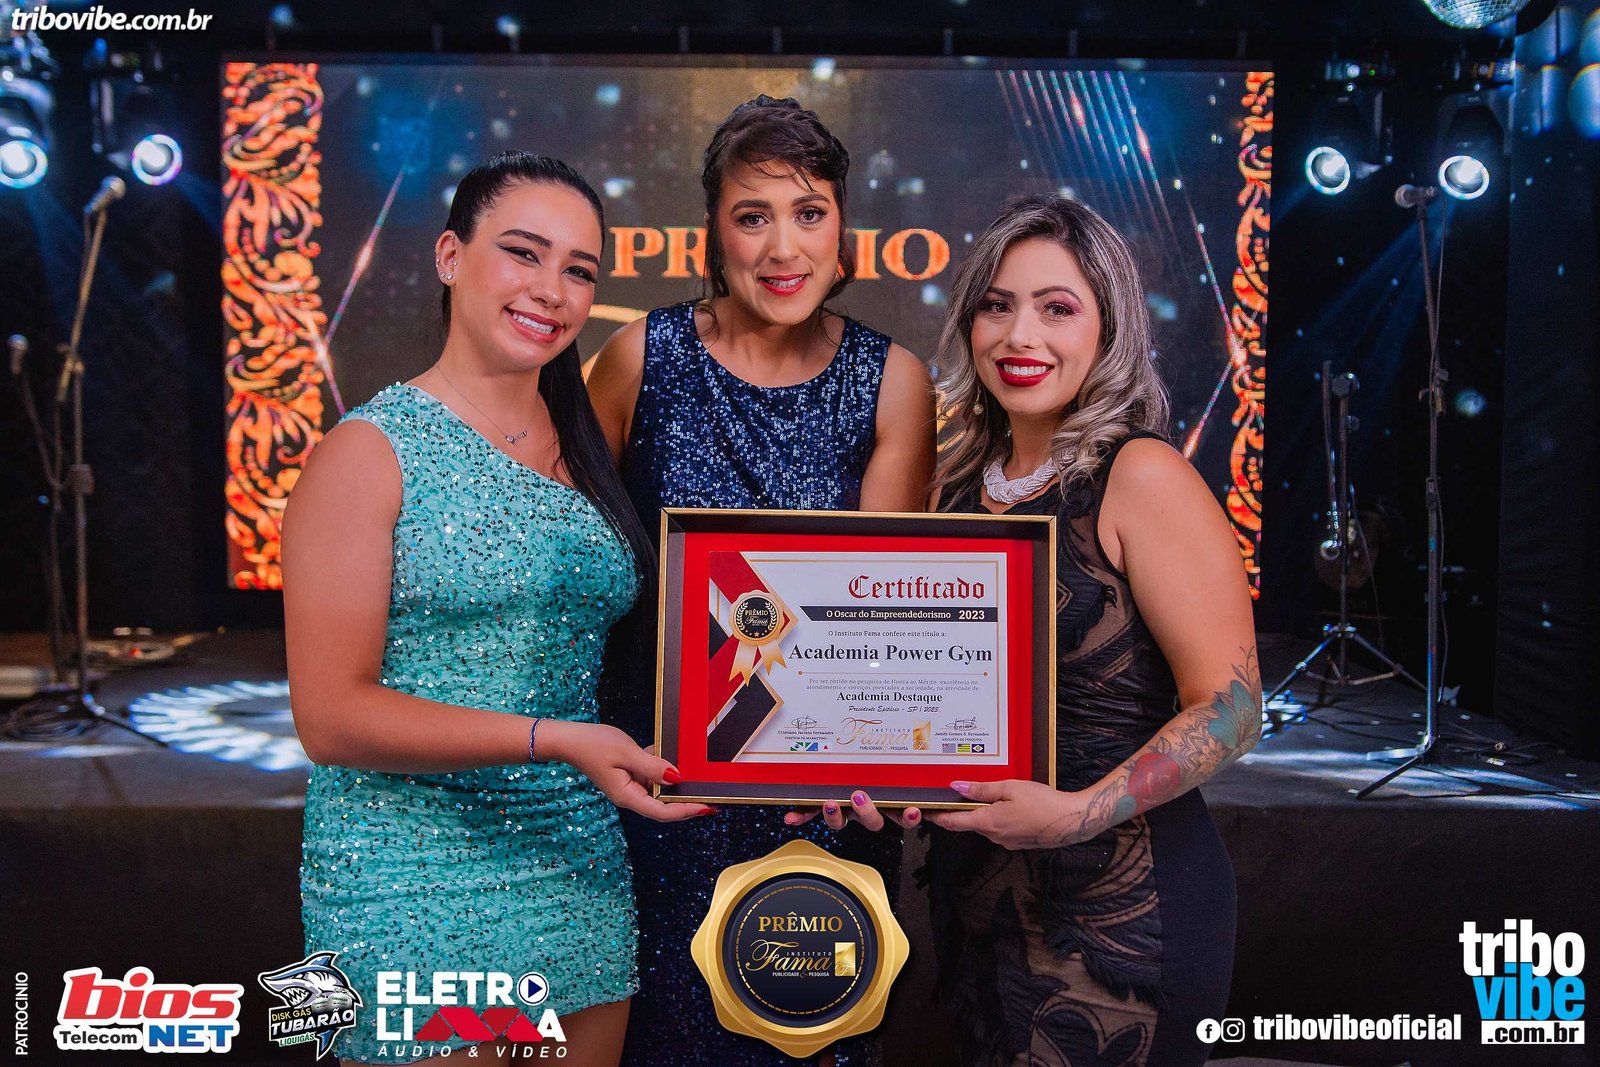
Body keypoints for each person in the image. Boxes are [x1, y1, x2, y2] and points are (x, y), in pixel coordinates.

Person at [283, 152, 708, 1067]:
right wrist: (553, 738)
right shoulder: (367, 451)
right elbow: (329, 716)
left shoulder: (590, 446)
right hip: (406, 877)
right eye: (523, 252)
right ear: (450, 256)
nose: (551, 289)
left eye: (579, 270)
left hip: (577, 864)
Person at [838, 193, 1261, 1066]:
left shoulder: (1142, 474)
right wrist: (871, 766)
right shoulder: (953, 488)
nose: (1019, 335)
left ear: (1109, 328)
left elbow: (1234, 708)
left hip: (1124, 916)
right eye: (997, 305)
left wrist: (1075, 814)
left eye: (1057, 307)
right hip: (977, 909)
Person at [585, 96, 936, 1066]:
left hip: (816, 804)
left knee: (805, 1041)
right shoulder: (637, 357)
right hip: (656, 791)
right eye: (753, 215)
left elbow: (880, 622)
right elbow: (579, 568)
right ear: (712, 232)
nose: (784, 246)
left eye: (809, 212)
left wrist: (889, 759)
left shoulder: (891, 379)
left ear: (842, 230)